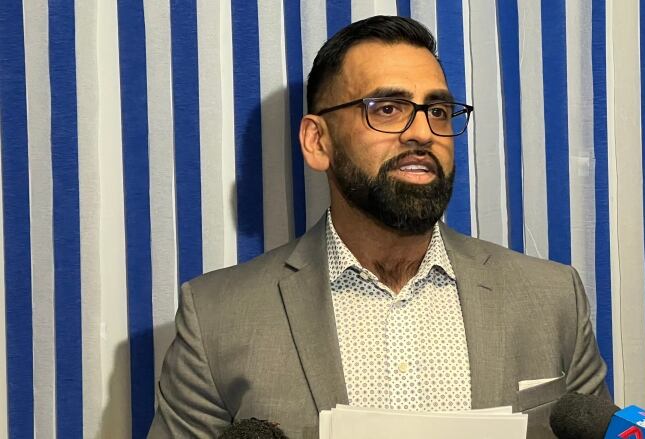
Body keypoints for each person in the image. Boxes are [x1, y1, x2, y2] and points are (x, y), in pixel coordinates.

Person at [148, 15, 609, 439]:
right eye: (387, 108)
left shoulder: (553, 298)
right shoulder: (215, 320)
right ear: (317, 141)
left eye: (438, 110)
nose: (422, 132)